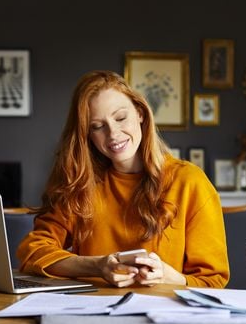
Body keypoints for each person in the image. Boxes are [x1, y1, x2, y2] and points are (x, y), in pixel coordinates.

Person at [17, 70, 229, 288]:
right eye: (97, 126)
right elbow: (34, 251)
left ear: (140, 113)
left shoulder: (189, 182)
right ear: (87, 135)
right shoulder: (82, 183)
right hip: (92, 313)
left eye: (120, 118)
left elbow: (213, 281)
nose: (113, 133)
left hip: (164, 314)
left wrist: (167, 276)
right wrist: (98, 266)